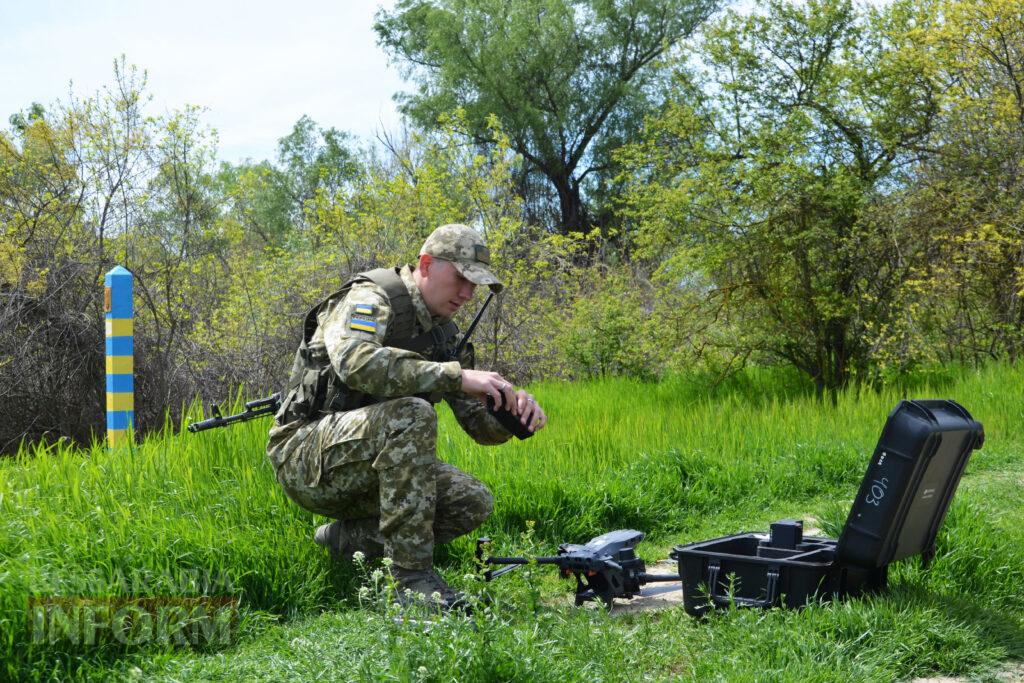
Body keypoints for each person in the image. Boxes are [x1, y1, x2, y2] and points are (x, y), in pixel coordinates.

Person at [266, 223, 547, 609]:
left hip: (363, 462)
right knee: (412, 414)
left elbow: (480, 428)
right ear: (427, 265)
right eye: (461, 277)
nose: (467, 294)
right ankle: (410, 582)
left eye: (475, 284)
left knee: (471, 501)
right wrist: (455, 375)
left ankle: (344, 540)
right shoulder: (370, 298)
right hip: (305, 454)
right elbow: (355, 362)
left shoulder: (445, 339)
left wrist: (512, 413)